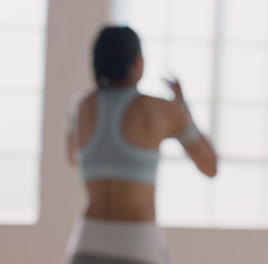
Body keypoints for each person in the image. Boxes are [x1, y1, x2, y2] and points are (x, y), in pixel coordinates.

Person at [65, 26, 218, 264]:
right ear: (137, 61)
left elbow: (73, 158)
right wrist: (183, 108)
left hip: (86, 244)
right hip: (137, 247)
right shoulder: (161, 110)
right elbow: (210, 166)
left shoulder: (81, 107)